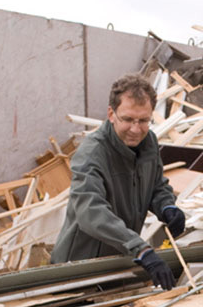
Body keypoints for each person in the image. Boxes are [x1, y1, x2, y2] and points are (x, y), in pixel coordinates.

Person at [51, 74, 186, 290]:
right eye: (128, 119)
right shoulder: (92, 153)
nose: (136, 129)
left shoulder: (148, 141)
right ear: (111, 114)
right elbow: (91, 211)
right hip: (80, 269)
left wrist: (167, 206)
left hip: (120, 261)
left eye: (143, 121)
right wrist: (140, 248)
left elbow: (156, 185)